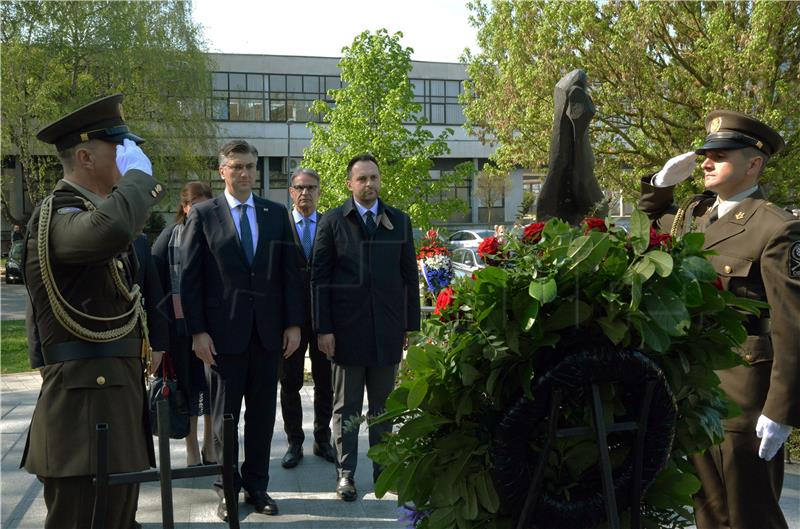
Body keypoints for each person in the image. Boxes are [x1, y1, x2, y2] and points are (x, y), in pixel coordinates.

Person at [639, 110, 800, 529]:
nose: (707, 162)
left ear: (754, 164)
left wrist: (780, 411)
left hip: (745, 395)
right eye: (706, 153)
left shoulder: (776, 228)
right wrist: (661, 183)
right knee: (709, 514)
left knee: (751, 516)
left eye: (721, 155)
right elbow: (651, 224)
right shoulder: (696, 216)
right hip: (697, 391)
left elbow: (792, 326)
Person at [20, 94, 163, 529]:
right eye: (119, 149)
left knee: (120, 520)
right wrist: (139, 179)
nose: (129, 157)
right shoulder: (58, 216)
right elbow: (114, 228)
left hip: (114, 406)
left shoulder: (93, 216)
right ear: (84, 156)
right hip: (83, 421)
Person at [180, 139, 303, 521]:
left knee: (263, 416)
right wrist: (198, 332)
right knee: (224, 419)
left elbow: (291, 274)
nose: (246, 173)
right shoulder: (203, 215)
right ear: (223, 172)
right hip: (221, 339)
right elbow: (190, 280)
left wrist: (294, 325)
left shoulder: (275, 213)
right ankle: (227, 488)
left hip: (268, 337)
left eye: (250, 166)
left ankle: (257, 485)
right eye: (237, 167)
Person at [312, 153, 420, 501]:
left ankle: (383, 471)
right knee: (346, 408)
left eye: (374, 178)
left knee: (383, 407)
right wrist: (323, 328)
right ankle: (345, 474)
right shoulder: (332, 221)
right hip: (346, 332)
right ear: (349, 183)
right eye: (362, 179)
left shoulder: (399, 221)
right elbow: (320, 279)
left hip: (386, 330)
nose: (369, 184)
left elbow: (409, 277)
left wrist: (410, 324)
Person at [151, 180, 216, 467]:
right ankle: (191, 448)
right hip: (179, 331)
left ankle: (209, 444)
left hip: (216, 327)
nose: (198, 211)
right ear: (184, 207)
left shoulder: (218, 234)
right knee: (188, 389)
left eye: (204, 205)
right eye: (193, 205)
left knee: (214, 389)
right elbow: (156, 288)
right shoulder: (168, 237)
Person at [279, 167, 336, 469]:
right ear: (291, 192)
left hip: (324, 319)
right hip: (290, 320)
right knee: (290, 382)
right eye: (300, 187)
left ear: (319, 191)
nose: (306, 193)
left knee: (325, 382)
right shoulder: (280, 225)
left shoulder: (330, 225)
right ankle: (294, 441)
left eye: (311, 187)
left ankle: (322, 438)